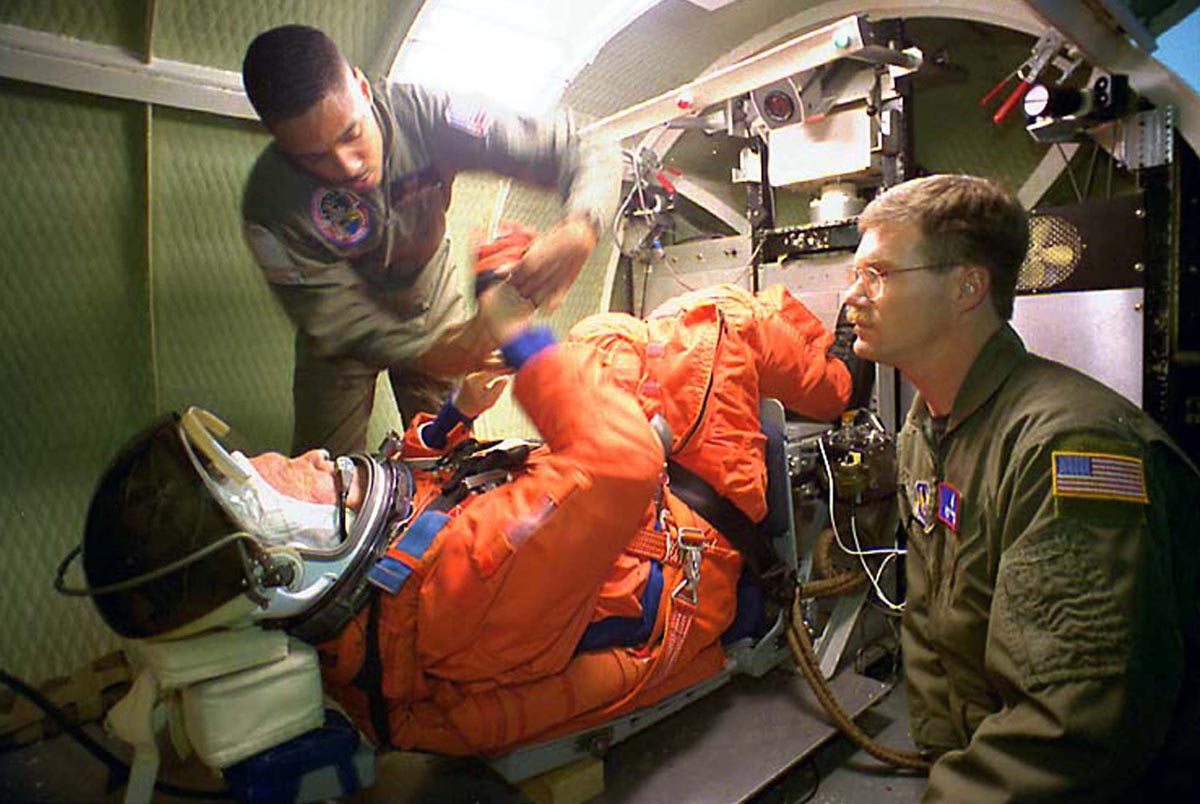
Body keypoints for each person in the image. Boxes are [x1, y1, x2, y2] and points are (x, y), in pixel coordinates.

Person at [76, 274, 852, 756]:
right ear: (285, 560)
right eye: (286, 479)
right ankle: (844, 376)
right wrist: (518, 335)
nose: (305, 459)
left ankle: (800, 355)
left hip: (614, 527)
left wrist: (450, 421)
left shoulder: (378, 597)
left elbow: (419, 494)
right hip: (692, 546)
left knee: (601, 337)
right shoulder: (465, 583)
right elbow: (620, 465)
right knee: (716, 322)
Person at [843, 173, 1200, 802]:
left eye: (878, 274)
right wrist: (944, 764)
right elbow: (928, 627)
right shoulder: (924, 430)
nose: (852, 296)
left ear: (967, 286)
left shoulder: (1068, 446)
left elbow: (1077, 722)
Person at [240, 24, 615, 455]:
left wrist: (582, 225)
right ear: (282, 146)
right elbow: (335, 320)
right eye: (314, 157)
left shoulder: (427, 117)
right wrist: (431, 353)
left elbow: (585, 145)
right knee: (330, 480)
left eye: (350, 133)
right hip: (341, 337)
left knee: (451, 448)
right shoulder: (270, 205)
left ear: (362, 88)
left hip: (427, 296)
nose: (346, 165)